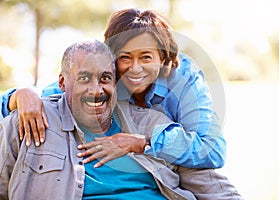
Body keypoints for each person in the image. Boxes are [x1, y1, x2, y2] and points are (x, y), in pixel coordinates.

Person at [0, 8, 243, 199]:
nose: (135, 68)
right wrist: (18, 95)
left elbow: (211, 152)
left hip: (170, 158)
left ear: (163, 56)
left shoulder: (183, 83)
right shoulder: (104, 76)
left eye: (146, 57)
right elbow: (63, 92)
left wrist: (143, 143)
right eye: (125, 57)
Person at [0, 40, 199, 200]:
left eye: (105, 79)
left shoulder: (153, 125)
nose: (96, 91)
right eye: (84, 79)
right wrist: (19, 94)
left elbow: (209, 184)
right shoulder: (28, 120)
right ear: (62, 82)